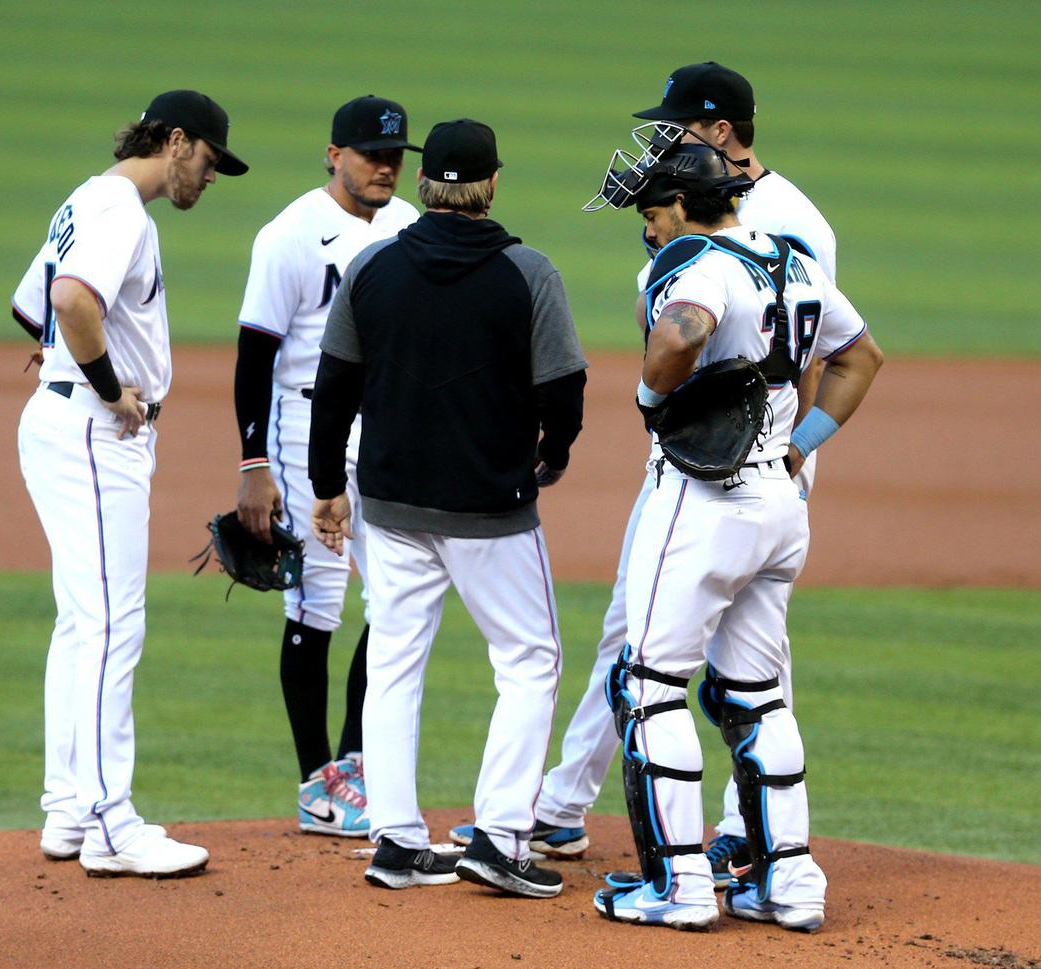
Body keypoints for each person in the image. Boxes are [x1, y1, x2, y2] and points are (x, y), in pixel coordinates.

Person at [452, 62, 838, 882]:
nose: (664, 137)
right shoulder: (684, 210)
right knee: (639, 634)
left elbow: (793, 349)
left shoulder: (787, 221)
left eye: (681, 126)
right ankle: (564, 807)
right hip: (699, 467)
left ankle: (726, 843)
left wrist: (795, 442)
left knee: (705, 674)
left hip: (741, 470)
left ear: (723, 135)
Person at [590, 140, 882, 931]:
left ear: (684, 205)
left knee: (648, 687)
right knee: (757, 697)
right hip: (778, 505)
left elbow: (683, 330)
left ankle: (678, 884)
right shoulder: (792, 262)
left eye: (653, 213)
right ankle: (790, 883)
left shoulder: (702, 264)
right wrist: (801, 440)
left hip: (701, 501)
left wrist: (650, 396)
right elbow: (862, 355)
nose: (650, 230)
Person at [308, 119, 587, 896]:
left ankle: (395, 841)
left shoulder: (372, 268)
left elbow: (332, 392)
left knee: (394, 661)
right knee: (531, 661)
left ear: (428, 182)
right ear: (492, 184)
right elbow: (563, 391)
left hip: (390, 503)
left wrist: (328, 485)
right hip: (491, 508)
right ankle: (500, 836)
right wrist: (552, 453)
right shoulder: (527, 273)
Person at [13, 90, 248, 877]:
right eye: (210, 160)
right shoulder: (123, 212)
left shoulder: (86, 198)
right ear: (176, 142)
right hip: (92, 430)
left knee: (84, 622)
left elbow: (28, 306)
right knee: (113, 624)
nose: (210, 178)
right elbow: (68, 300)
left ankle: (68, 810)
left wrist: (68, 364)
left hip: (62, 421)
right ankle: (111, 824)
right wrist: (109, 387)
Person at [233, 96, 420, 837]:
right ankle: (316, 781)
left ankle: (356, 765)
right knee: (315, 604)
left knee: (398, 598)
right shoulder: (290, 234)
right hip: (306, 427)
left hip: (385, 431)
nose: (384, 165)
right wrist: (254, 463)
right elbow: (254, 356)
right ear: (332, 153)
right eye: (370, 152)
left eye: (395, 154)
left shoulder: (409, 228)